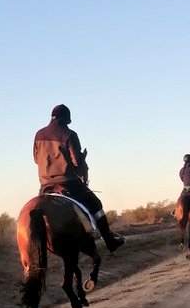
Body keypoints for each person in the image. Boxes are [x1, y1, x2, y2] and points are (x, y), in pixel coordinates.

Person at [33, 104, 125, 252]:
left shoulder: (38, 134)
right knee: (96, 204)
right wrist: (80, 162)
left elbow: (36, 159)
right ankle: (109, 240)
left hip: (45, 186)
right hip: (68, 183)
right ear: (65, 119)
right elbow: (77, 162)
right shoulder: (69, 134)